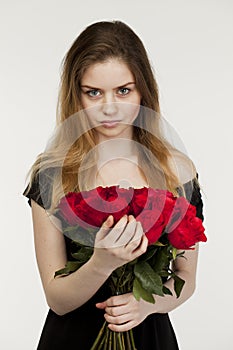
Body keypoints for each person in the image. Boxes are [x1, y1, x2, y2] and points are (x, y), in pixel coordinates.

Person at [23, 20, 204, 350]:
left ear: (143, 90)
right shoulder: (52, 175)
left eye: (123, 90)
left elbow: (186, 277)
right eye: (94, 92)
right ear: (75, 96)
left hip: (150, 337)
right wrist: (101, 263)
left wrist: (148, 303)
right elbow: (57, 299)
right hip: (71, 340)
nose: (110, 107)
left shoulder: (176, 171)